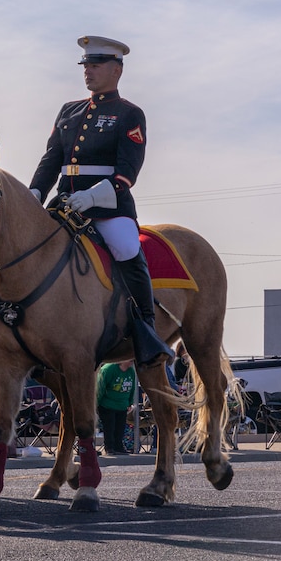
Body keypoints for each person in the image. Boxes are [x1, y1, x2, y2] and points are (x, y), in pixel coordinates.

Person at [28, 36, 172, 369]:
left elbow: (126, 174)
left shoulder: (129, 114)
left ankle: (144, 329)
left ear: (116, 70)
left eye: (95, 65)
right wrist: (34, 193)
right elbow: (51, 159)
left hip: (109, 208)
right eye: (86, 66)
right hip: (64, 202)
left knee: (125, 248)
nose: (88, 71)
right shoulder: (69, 111)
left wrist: (92, 196)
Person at [96, 360, 136, 455]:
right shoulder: (109, 369)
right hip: (107, 404)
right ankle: (109, 448)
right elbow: (100, 387)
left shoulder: (131, 371)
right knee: (109, 427)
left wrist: (130, 402)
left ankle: (118, 447)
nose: (132, 361)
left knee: (120, 428)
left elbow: (132, 388)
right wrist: (96, 403)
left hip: (122, 405)